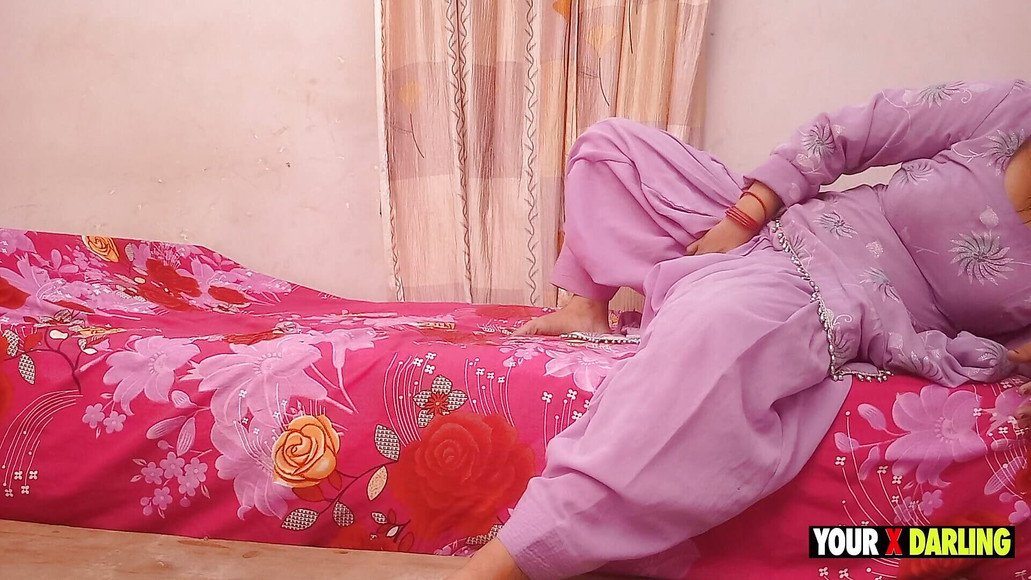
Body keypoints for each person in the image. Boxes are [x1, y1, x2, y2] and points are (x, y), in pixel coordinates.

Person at [451, 79, 1031, 579]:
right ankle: (586, 304)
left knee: (717, 332)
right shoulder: (1011, 107)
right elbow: (843, 133)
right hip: (786, 224)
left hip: (837, 293)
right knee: (610, 148)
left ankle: (524, 549)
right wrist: (742, 217)